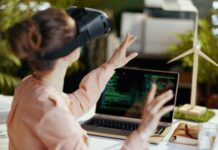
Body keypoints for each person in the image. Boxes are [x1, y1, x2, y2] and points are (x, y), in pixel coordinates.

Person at [6, 8, 174, 150]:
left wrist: (110, 66)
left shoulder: (29, 86)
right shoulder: (50, 112)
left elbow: (76, 104)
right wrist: (143, 132)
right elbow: (57, 114)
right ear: (69, 52)